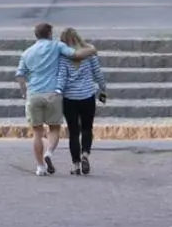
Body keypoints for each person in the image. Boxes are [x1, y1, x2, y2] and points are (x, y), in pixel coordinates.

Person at [15, 22, 96, 176]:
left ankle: (40, 167)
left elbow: (20, 74)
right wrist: (92, 49)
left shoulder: (27, 53)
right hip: (53, 94)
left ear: (36, 35)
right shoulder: (56, 46)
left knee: (37, 133)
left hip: (34, 94)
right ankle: (49, 153)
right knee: (54, 128)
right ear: (50, 33)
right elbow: (75, 55)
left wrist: (24, 92)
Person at [55, 27, 107, 175]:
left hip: (69, 99)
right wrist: (103, 88)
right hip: (87, 96)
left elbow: (61, 78)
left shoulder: (63, 58)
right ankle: (85, 154)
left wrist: (58, 91)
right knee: (86, 128)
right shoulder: (89, 54)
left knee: (73, 132)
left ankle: (76, 165)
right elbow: (98, 74)